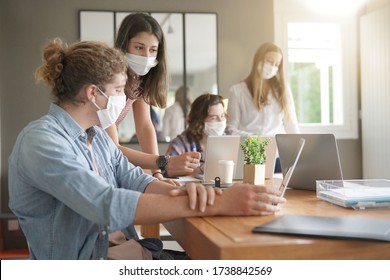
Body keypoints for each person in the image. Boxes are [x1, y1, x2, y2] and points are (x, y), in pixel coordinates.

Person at [8, 38, 286, 260]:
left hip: (128, 252)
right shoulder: (42, 141)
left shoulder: (98, 137)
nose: (124, 99)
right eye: (118, 90)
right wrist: (219, 203)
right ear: (93, 93)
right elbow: (105, 205)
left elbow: (137, 180)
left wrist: (194, 192)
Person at [107, 12, 200, 179]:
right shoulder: (109, 80)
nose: (146, 56)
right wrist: (164, 162)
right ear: (124, 44)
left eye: (153, 50)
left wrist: (158, 173)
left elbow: (144, 127)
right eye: (139, 47)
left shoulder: (138, 81)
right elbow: (112, 147)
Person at [227, 42, 300, 172]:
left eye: (277, 64)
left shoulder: (283, 90)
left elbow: (291, 125)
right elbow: (231, 129)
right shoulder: (237, 91)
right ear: (258, 60)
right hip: (251, 156)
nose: (272, 67)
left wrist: (299, 154)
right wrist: (256, 139)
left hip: (278, 157)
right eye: (269, 61)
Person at [166, 93, 235, 175]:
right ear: (199, 121)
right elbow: (166, 170)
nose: (221, 121)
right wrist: (200, 169)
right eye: (214, 117)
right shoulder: (180, 144)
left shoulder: (230, 136)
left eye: (222, 115)